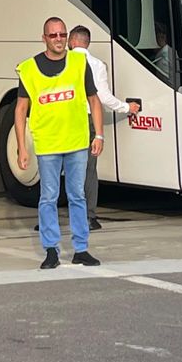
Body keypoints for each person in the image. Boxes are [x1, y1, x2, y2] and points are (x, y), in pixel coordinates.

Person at [14, 16, 105, 270]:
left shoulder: (78, 62)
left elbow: (94, 100)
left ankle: (81, 249)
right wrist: (22, 146)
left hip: (77, 142)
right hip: (48, 144)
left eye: (62, 35)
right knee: (48, 197)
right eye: (53, 35)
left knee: (77, 195)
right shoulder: (29, 69)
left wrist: (98, 135)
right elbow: (21, 110)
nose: (58, 40)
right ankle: (51, 250)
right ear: (44, 38)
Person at [68, 25, 140, 231]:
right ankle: (89, 217)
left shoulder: (64, 61)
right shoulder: (97, 64)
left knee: (58, 167)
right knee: (89, 170)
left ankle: (52, 215)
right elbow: (103, 97)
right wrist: (127, 107)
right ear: (87, 42)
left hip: (65, 120)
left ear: (72, 41)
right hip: (89, 121)